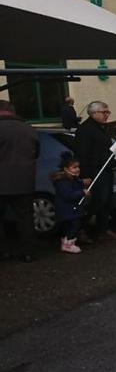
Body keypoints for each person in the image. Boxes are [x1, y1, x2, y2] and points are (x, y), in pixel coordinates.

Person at [74, 101, 116, 241]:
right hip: (94, 171)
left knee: (107, 200)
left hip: (106, 169)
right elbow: (82, 153)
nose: (107, 114)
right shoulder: (85, 130)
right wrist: (84, 175)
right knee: (96, 201)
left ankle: (104, 229)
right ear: (94, 113)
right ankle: (79, 229)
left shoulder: (104, 128)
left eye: (108, 112)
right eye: (104, 112)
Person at [0, 100, 39, 262]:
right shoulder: (29, 129)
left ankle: (3, 252)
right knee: (25, 218)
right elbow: (36, 153)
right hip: (25, 182)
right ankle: (28, 252)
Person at [51, 153, 89, 254]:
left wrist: (82, 183)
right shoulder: (63, 181)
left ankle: (66, 241)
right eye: (74, 167)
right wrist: (82, 192)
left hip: (70, 209)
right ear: (66, 168)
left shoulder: (72, 179)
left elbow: (76, 184)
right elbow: (68, 195)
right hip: (67, 209)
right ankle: (68, 243)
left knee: (71, 226)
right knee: (74, 225)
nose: (77, 169)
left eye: (78, 167)